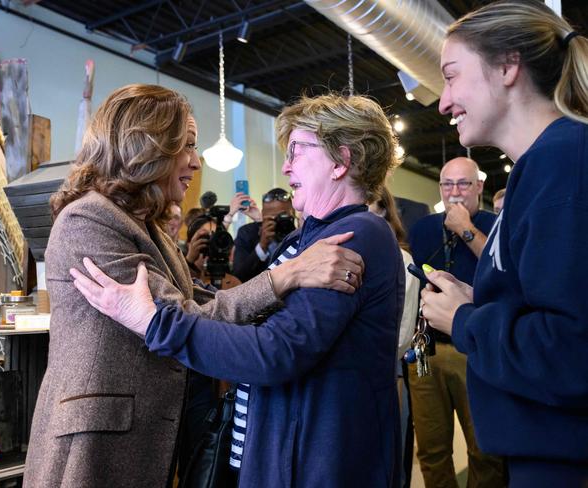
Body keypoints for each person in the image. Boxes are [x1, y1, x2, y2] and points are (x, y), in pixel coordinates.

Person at [24, 84, 366, 488]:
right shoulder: (90, 220)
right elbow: (178, 315)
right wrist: (287, 275)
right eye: (185, 146)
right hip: (96, 443)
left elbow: (198, 299)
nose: (195, 161)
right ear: (146, 147)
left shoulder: (144, 224)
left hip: (136, 435)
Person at [421, 1, 588, 485]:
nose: (443, 102)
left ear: (508, 65)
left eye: (452, 77)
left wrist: (465, 319)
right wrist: (480, 302)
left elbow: (572, 352)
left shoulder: (562, 162)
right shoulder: (539, 169)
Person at [408, 157, 504, 487]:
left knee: (484, 449)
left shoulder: (495, 225)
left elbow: (501, 271)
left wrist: (465, 228)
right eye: (447, 184)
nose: (455, 192)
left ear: (479, 186)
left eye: (464, 184)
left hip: (475, 349)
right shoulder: (422, 228)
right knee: (432, 450)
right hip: (428, 350)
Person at [369, 185, 419, 488]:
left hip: (386, 371)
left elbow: (402, 335)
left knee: (387, 459)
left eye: (367, 201)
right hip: (346, 377)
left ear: (383, 208)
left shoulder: (401, 260)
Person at [232, 187, 295, 282]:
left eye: (282, 217)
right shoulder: (247, 233)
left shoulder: (301, 234)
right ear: (263, 214)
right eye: (272, 218)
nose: (277, 222)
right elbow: (239, 276)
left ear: (293, 213)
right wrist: (262, 246)